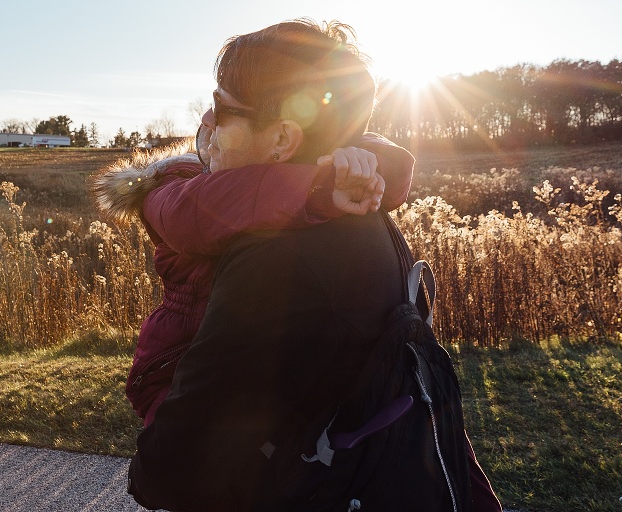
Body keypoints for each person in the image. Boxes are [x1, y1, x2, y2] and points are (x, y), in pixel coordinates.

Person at [128, 19, 501, 512]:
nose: (207, 123)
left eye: (221, 109)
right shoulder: (370, 220)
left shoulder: (274, 259)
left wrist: (149, 470)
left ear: (283, 139)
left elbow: (184, 459)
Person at [93, 125, 415, 427]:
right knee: (182, 462)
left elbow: (400, 171)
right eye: (211, 119)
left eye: (224, 114)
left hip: (229, 365)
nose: (213, 123)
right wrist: (322, 183)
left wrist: (363, 162)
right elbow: (229, 200)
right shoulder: (171, 186)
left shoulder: (240, 176)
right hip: (172, 368)